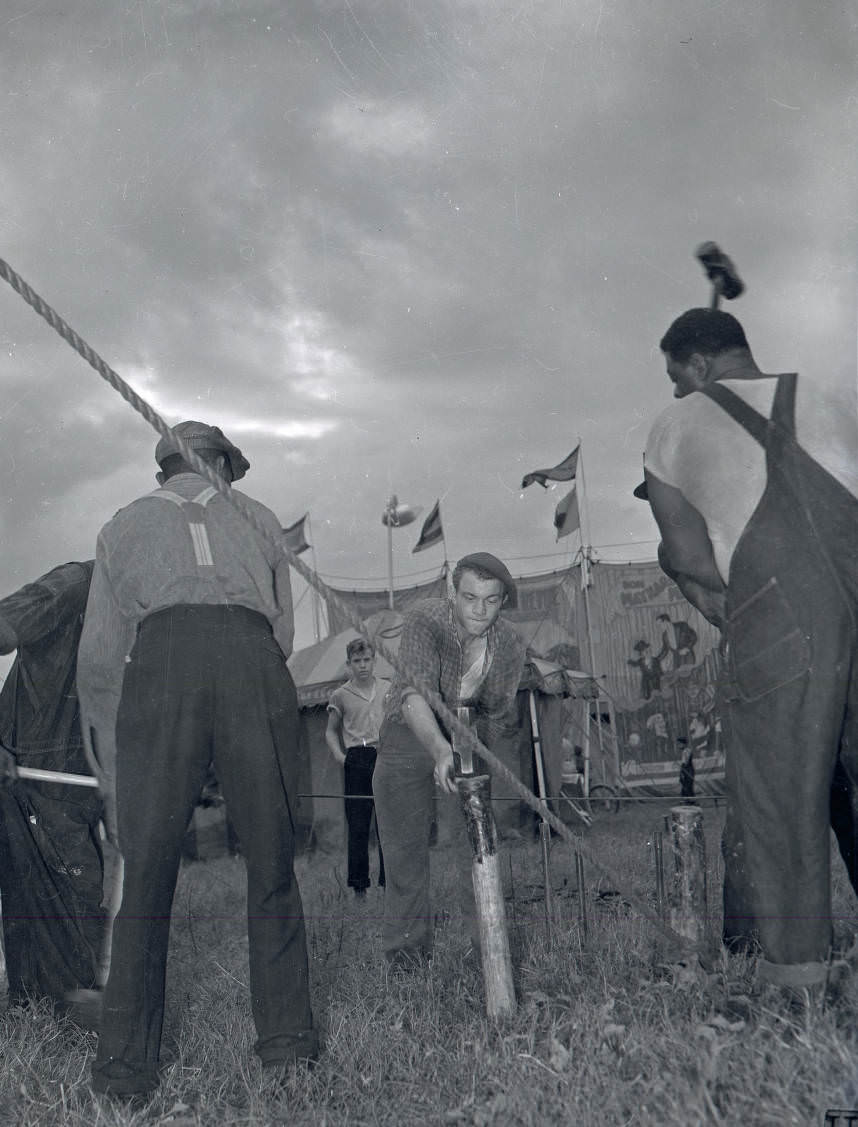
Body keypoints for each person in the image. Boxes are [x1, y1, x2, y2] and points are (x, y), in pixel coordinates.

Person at [77, 420, 317, 1099]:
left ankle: (124, 1070)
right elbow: (284, 636)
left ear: (164, 473)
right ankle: (288, 1047)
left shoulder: (121, 524)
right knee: (272, 861)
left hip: (160, 664)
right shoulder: (260, 515)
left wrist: (115, 768)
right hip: (251, 659)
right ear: (223, 467)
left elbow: (99, 661)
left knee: (146, 872)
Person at [644, 307, 858, 993]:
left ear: (698, 366)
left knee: (781, 794)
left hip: (780, 609)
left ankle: (800, 987)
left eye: (679, 378)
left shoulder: (674, 426)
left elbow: (692, 561)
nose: (680, 392)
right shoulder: (833, 394)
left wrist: (724, 599)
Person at [373, 552, 527, 967]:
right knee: (405, 854)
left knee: (476, 849)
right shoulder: (426, 618)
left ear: (503, 601)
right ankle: (406, 963)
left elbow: (495, 716)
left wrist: (475, 762)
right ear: (452, 594)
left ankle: (490, 955)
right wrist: (440, 750)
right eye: (470, 597)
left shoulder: (511, 643)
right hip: (408, 730)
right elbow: (413, 692)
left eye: (491, 600)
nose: (479, 610)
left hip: (468, 733)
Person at [0, 561, 107, 1016]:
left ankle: (39, 1007)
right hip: (27, 768)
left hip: (84, 780)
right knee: (66, 896)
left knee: (67, 900)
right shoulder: (75, 584)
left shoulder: (153, 609)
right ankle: (53, 1009)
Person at [325, 638, 388, 898]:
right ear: (349, 664)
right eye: (357, 661)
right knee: (359, 825)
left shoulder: (388, 688)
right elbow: (330, 731)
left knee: (387, 823)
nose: (363, 666)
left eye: (367, 660)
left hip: (383, 754)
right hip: (356, 757)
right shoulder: (340, 695)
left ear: (374, 661)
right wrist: (341, 757)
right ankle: (359, 888)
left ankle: (389, 886)